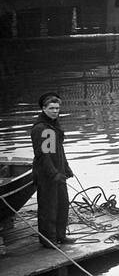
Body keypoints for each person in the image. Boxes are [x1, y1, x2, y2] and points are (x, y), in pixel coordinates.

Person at [30, 92, 76, 247]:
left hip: (59, 172)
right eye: (51, 108)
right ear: (44, 109)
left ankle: (60, 236)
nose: (55, 111)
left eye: (57, 108)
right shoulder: (42, 128)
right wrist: (53, 174)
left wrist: (66, 168)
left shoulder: (54, 125)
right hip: (47, 174)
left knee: (63, 204)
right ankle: (48, 239)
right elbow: (43, 155)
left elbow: (59, 151)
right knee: (48, 207)